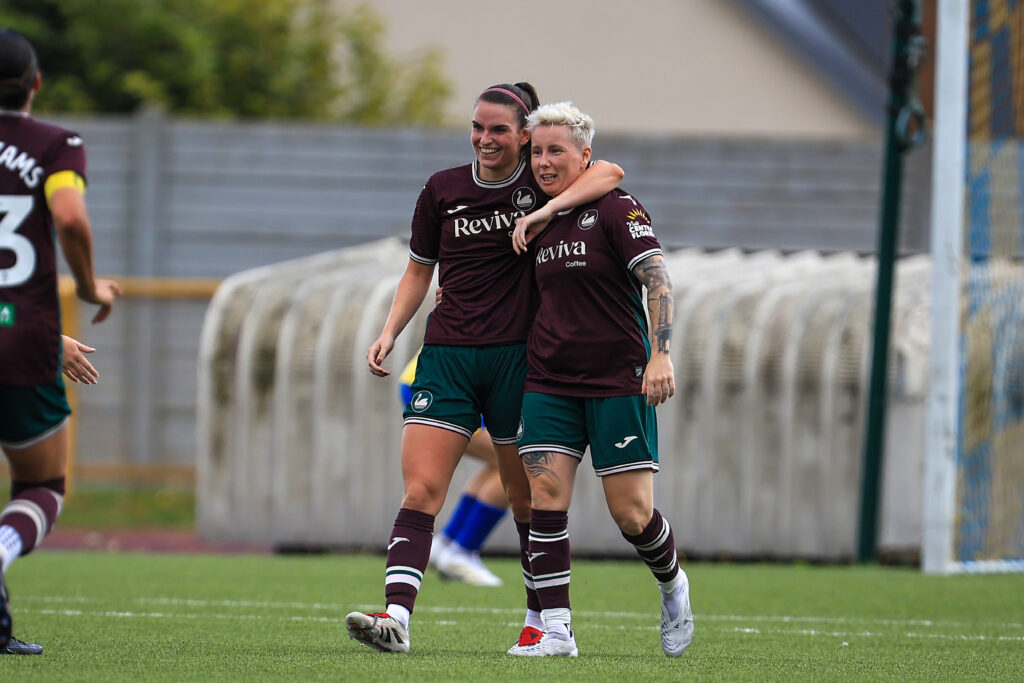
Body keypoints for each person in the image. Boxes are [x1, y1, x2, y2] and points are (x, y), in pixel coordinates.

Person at [345, 82, 624, 654]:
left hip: (521, 361)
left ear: (525, 136)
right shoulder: (442, 189)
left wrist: (546, 209)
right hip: (446, 357)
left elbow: (611, 172)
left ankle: (539, 621)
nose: (484, 138)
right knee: (421, 489)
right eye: (477, 126)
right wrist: (389, 331)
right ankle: (396, 618)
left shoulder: (542, 180)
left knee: (527, 500)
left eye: (499, 129)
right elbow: (419, 270)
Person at [509, 102, 693, 658]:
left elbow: (657, 280)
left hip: (618, 379)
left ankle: (673, 584)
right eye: (537, 151)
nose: (544, 161)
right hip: (549, 380)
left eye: (556, 150)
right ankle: (557, 631)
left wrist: (661, 356)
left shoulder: (616, 208)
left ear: (583, 155)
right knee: (544, 496)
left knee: (631, 514)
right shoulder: (532, 218)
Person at [0, 28, 121, 654]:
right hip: (20, 340)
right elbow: (69, 217)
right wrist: (90, 288)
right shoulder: (53, 144)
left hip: (27, 335)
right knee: (42, 486)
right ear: (36, 84)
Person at [399, 351, 507, 587]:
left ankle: (447, 544)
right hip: (443, 381)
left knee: (503, 462)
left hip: (436, 377)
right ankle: (462, 549)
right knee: (517, 463)